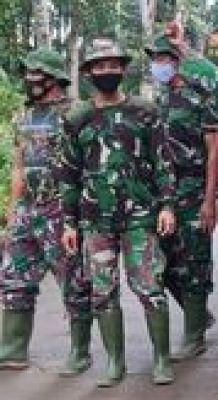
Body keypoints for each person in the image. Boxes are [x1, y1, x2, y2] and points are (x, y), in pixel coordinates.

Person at [58, 38, 177, 387]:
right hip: (95, 220)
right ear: (89, 72)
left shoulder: (145, 111)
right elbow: (68, 174)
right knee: (102, 292)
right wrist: (69, 223)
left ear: (123, 69)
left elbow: (163, 162)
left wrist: (167, 205)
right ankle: (115, 362)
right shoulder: (77, 118)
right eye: (100, 66)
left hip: (140, 217)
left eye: (113, 65)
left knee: (150, 287)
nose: (107, 71)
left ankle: (161, 359)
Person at [0, 49, 91, 376]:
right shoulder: (23, 116)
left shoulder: (76, 112)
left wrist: (78, 215)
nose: (30, 79)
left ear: (53, 78)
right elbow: (18, 167)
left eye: (36, 74)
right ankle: (12, 349)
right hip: (28, 209)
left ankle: (80, 352)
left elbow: (88, 165)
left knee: (73, 281)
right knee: (14, 277)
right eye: (27, 73)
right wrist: (12, 215)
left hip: (61, 208)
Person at [145, 34, 218, 361]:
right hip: (163, 196)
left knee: (195, 264)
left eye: (164, 58)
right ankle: (199, 315)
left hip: (193, 192)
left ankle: (194, 335)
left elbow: (214, 152)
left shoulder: (199, 97)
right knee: (161, 264)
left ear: (177, 61)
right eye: (154, 59)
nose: (158, 65)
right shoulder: (157, 100)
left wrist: (209, 200)